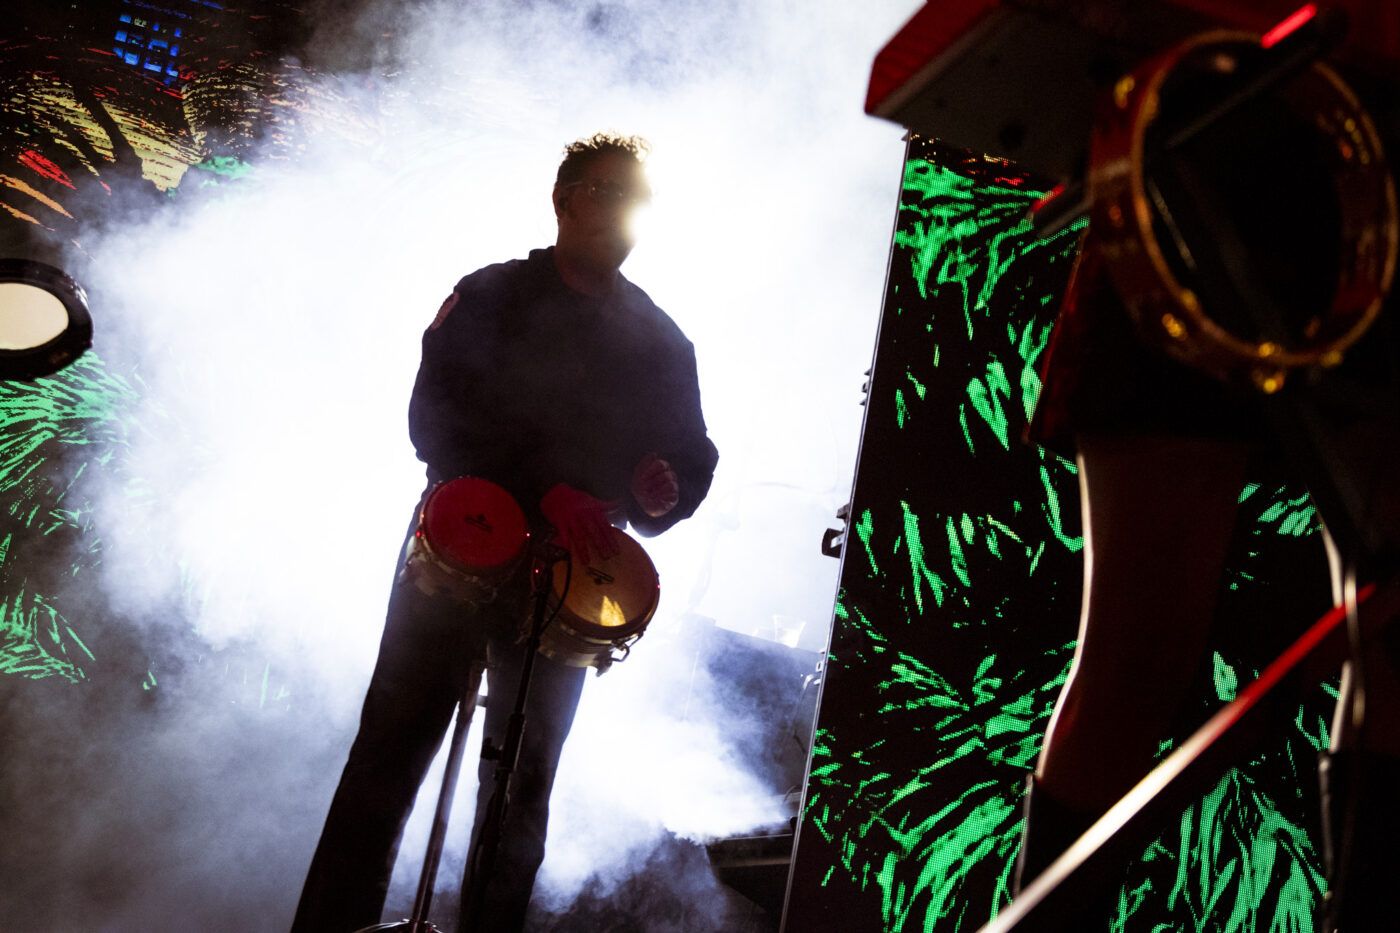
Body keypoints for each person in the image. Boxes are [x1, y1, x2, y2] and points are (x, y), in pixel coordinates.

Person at [291, 132, 719, 933]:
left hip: (566, 579)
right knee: (388, 759)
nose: (622, 213)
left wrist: (665, 489)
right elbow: (434, 419)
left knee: (521, 789)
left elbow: (691, 455)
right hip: (464, 541)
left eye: (636, 200)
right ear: (563, 200)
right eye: (607, 192)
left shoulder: (662, 341)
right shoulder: (491, 294)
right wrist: (543, 487)